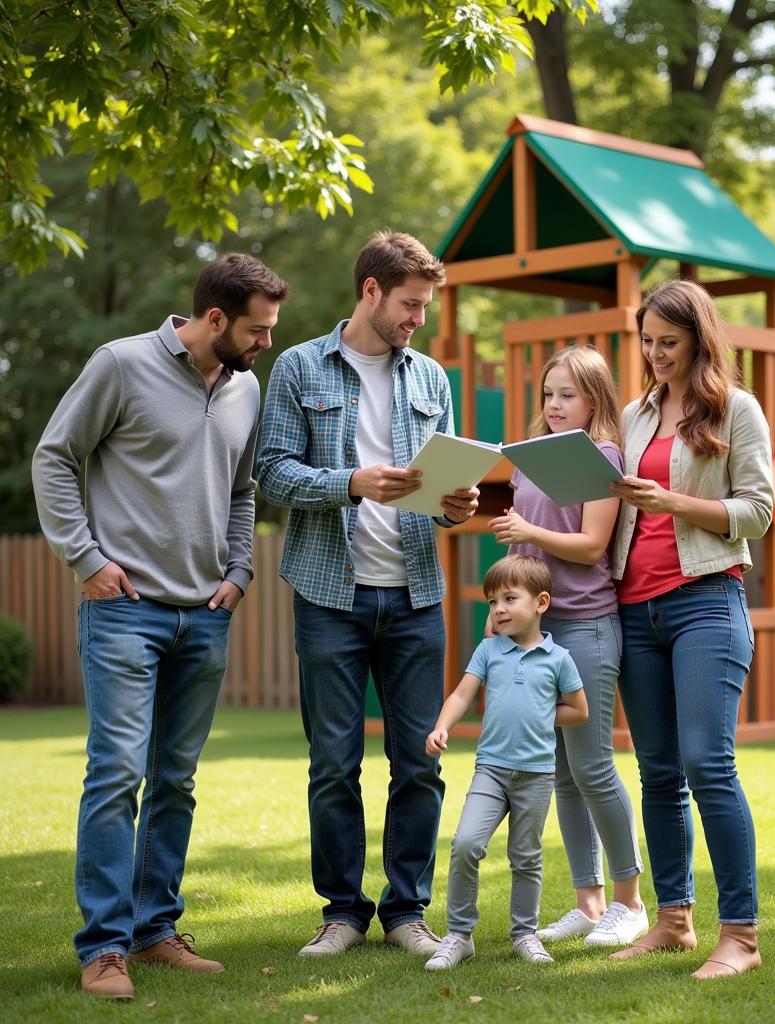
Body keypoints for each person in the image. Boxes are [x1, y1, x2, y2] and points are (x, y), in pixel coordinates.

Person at [32, 254, 290, 1000]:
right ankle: (104, 947)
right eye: (257, 329)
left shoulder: (247, 387)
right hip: (124, 613)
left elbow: (243, 492)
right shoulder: (120, 365)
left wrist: (239, 574)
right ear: (215, 319)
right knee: (116, 775)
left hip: (204, 616)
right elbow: (55, 457)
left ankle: (154, 931)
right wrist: (84, 558)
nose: (266, 343)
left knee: (174, 779)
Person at [256, 231, 479, 960]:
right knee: (333, 763)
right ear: (372, 291)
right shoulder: (296, 367)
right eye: (411, 306)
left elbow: (441, 497)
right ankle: (343, 912)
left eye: (426, 308)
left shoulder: (431, 379)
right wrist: (351, 483)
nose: (419, 320)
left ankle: (407, 911)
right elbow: (273, 474)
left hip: (415, 593)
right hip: (329, 594)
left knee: (420, 761)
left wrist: (458, 504)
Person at [607, 278, 772, 978]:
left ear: (699, 339)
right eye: (646, 342)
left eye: (668, 342)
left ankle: (741, 938)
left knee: (709, 763)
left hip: (706, 601)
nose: (655, 354)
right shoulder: (635, 412)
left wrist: (673, 500)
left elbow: (758, 511)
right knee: (658, 773)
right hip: (633, 611)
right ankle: (672, 920)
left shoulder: (736, 410)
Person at [486, 346, 647, 948]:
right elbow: (526, 554)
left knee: (592, 765)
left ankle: (630, 903)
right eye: (549, 394)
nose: (554, 406)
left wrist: (527, 532)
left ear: (596, 398)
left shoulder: (601, 456)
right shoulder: (530, 460)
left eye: (568, 395)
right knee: (560, 773)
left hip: (586, 628)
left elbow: (591, 545)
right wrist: (503, 610)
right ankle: (588, 902)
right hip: (538, 632)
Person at [423, 555, 588, 970]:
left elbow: (579, 710)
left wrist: (540, 716)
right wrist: (441, 726)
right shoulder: (488, 651)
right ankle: (459, 935)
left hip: (537, 775)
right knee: (465, 845)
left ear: (541, 602)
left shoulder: (559, 658)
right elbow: (462, 694)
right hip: (491, 770)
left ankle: (524, 934)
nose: (498, 609)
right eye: (492, 601)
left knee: (526, 856)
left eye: (509, 599)